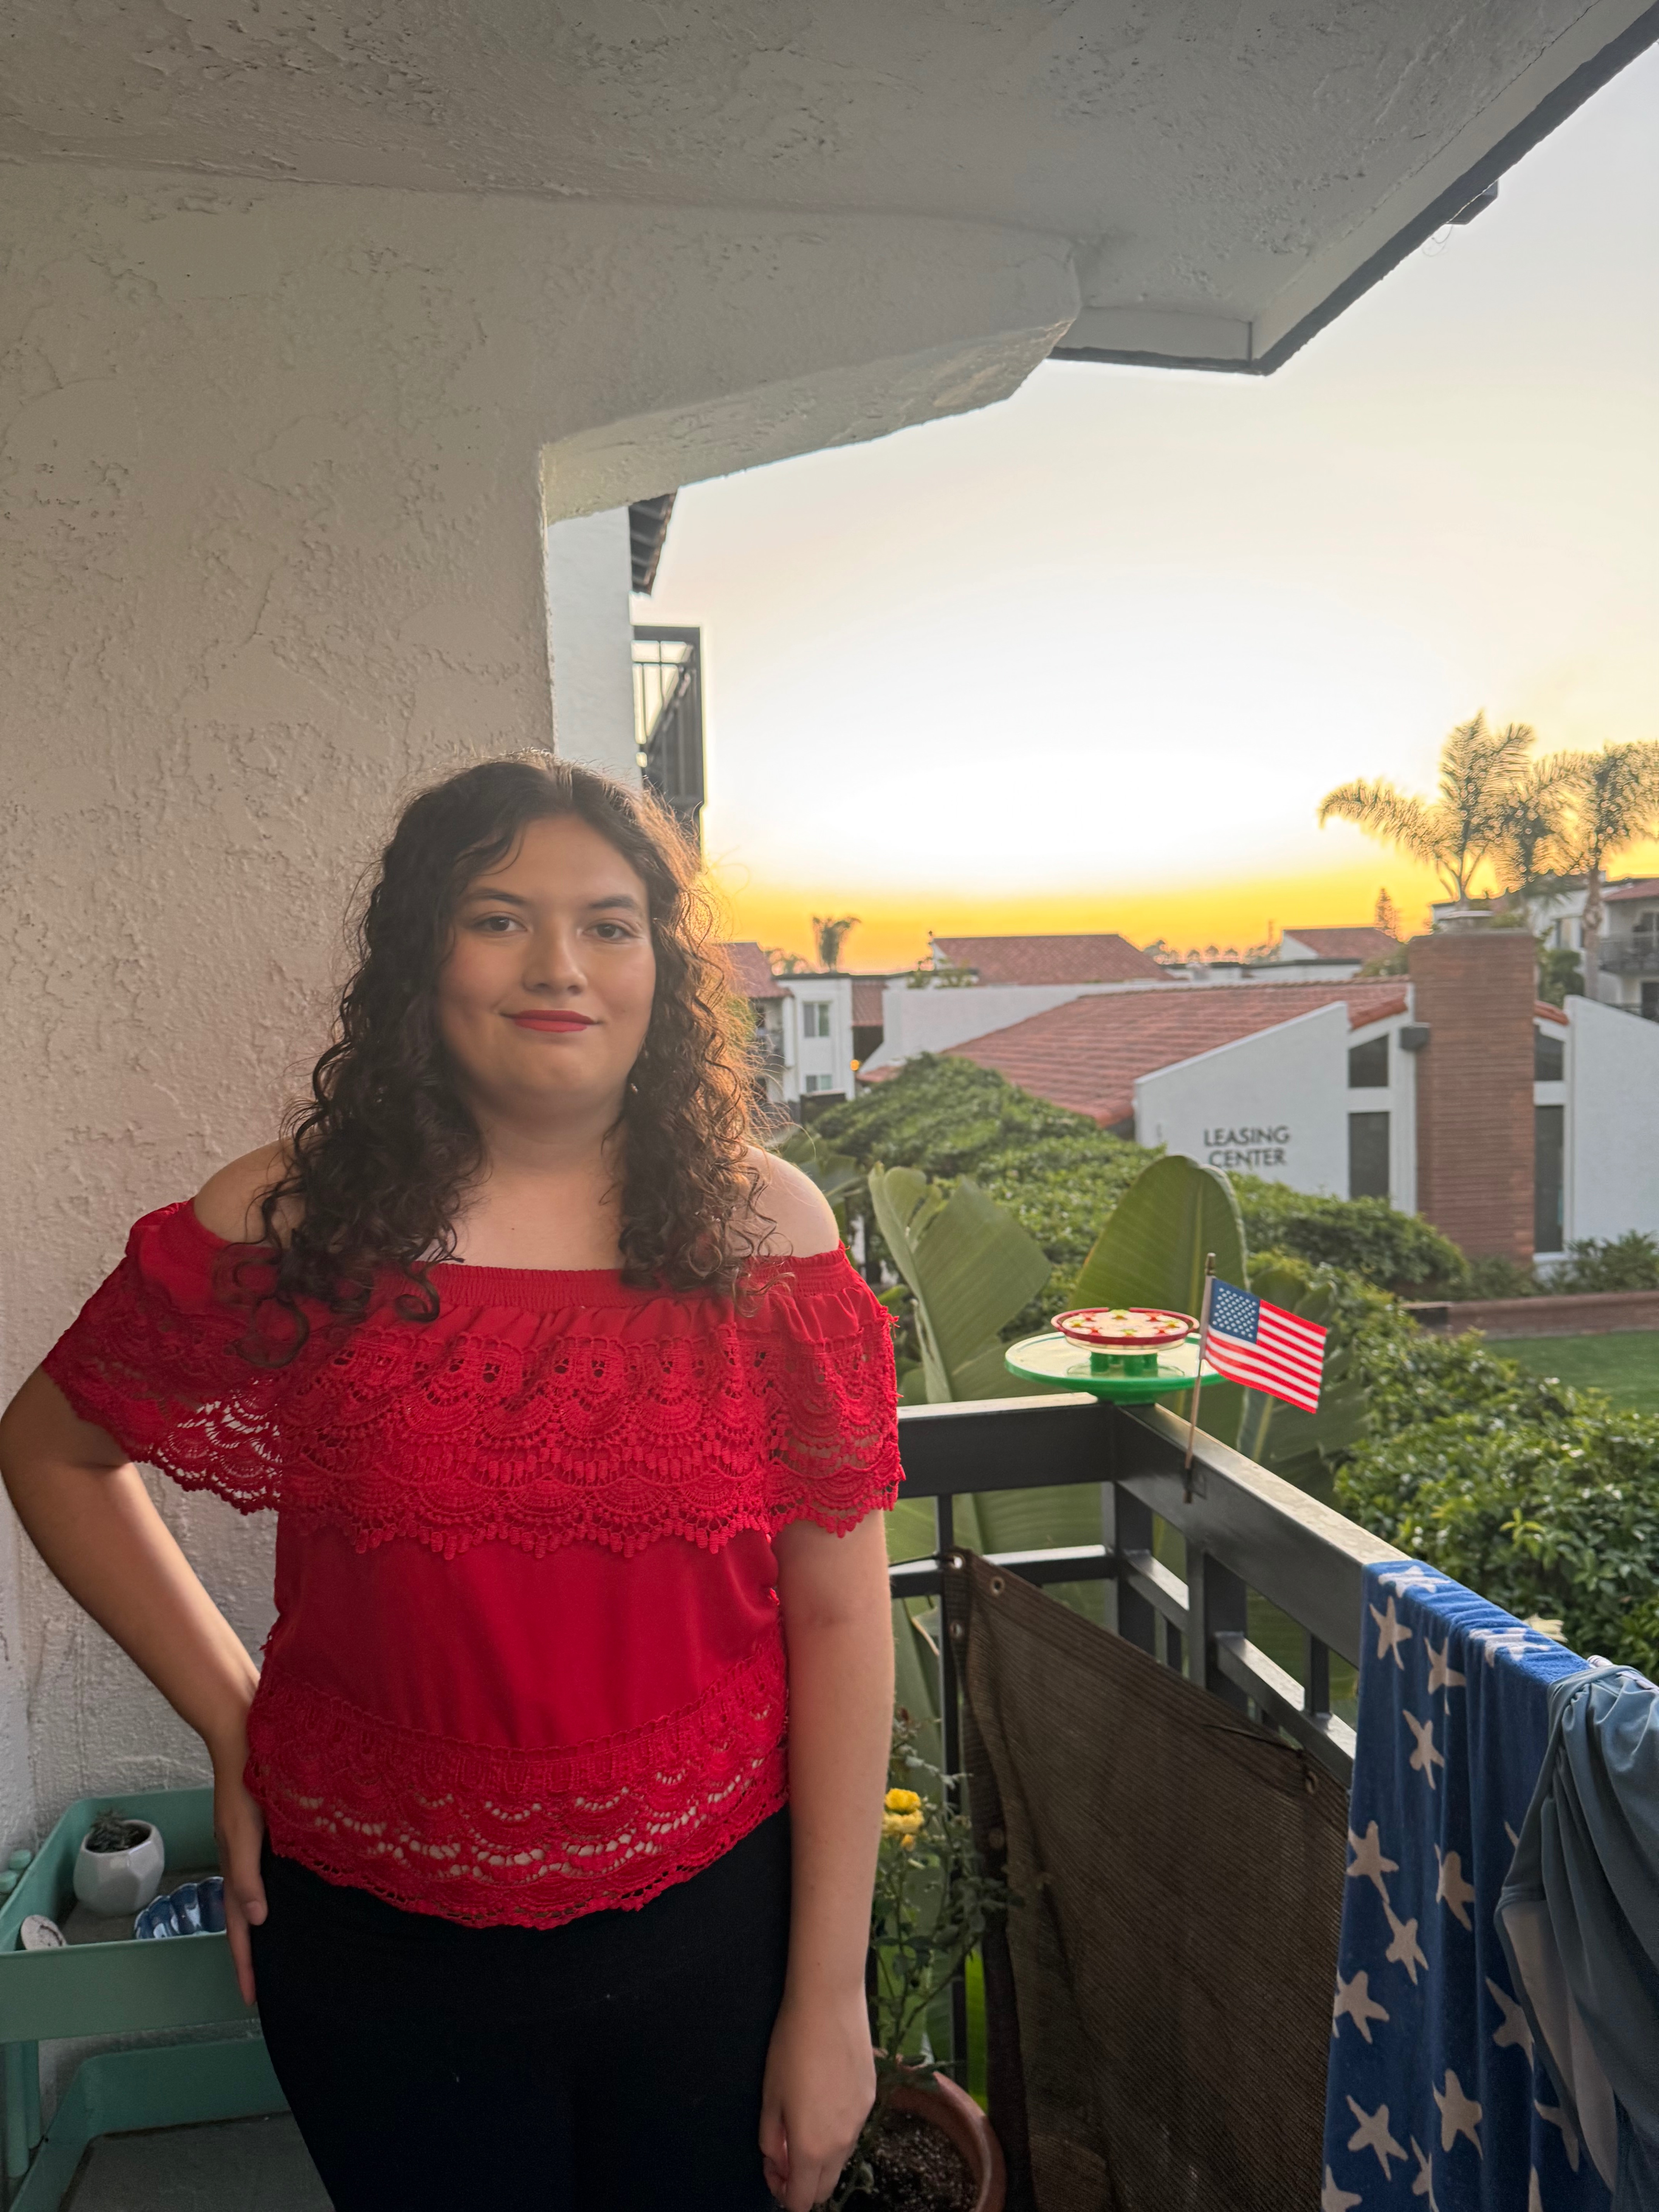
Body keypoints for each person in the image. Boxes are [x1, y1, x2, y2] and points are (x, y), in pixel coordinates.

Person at [0, 756, 900, 2212]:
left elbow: (843, 1619)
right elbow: (52, 1448)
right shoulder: (288, 1228)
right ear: (422, 955)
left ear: (662, 971)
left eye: (609, 925)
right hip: (373, 1953)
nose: (559, 967)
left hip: (712, 1938)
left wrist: (830, 1998)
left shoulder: (766, 1236)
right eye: (498, 918)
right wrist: (233, 1720)